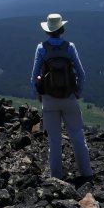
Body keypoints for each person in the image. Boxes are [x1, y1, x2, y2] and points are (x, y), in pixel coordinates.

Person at [30, 12, 94, 182]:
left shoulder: (41, 48)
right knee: (77, 134)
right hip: (69, 97)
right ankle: (86, 172)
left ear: (47, 30)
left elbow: (34, 75)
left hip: (49, 98)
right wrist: (78, 91)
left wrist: (38, 94)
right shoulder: (69, 47)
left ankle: (57, 177)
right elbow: (81, 73)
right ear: (62, 28)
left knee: (54, 139)